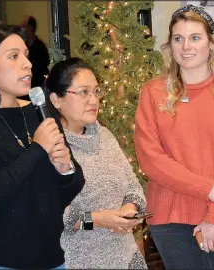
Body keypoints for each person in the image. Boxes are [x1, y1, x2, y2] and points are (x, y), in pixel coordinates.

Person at [134, 4, 214, 269]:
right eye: (178, 39)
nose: (186, 46)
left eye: (195, 37)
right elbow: (151, 160)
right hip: (172, 221)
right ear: (170, 45)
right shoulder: (153, 93)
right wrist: (208, 190)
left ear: (211, 43)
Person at [0, 25, 85, 269]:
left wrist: (66, 170)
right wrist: (37, 150)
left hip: (49, 257)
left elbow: (62, 194)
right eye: (13, 56)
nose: (27, 64)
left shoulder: (40, 113)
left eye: (26, 55)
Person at [45, 57, 148, 269]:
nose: (93, 100)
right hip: (78, 261)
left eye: (96, 91)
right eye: (83, 92)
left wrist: (129, 210)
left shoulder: (105, 136)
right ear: (56, 99)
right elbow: (55, 216)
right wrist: (99, 219)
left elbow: (134, 188)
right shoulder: (49, 146)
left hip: (125, 258)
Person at [21, 16, 50, 90]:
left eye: (24, 26)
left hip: (36, 86)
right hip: (25, 85)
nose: (22, 28)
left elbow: (44, 68)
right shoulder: (23, 46)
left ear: (31, 28)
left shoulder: (40, 47)